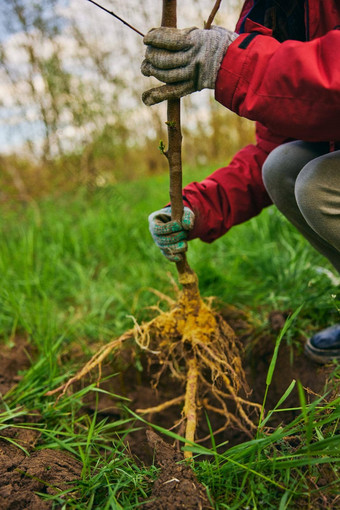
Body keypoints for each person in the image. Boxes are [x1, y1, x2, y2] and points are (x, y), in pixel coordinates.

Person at [141, 0, 340, 363]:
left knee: (317, 184)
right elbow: (272, 148)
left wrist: (234, 64)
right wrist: (198, 207)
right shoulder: (272, 11)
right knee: (283, 166)